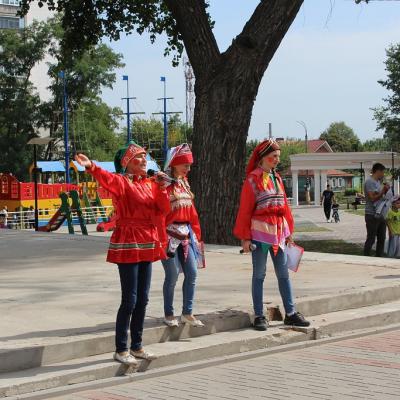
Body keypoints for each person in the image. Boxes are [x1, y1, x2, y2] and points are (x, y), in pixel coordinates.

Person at [74, 142, 171, 366]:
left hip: (147, 239)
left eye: (145, 157)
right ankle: (121, 348)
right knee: (130, 299)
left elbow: (163, 209)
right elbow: (106, 178)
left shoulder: (151, 184)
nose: (144, 160)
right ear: (127, 163)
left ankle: (137, 346)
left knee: (143, 298)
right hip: (129, 239)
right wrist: (91, 167)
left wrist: (164, 188)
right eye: (139, 157)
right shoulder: (122, 182)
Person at [234, 139, 310, 331]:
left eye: (278, 156)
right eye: (274, 156)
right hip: (260, 235)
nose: (277, 160)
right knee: (259, 275)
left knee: (283, 275)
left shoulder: (277, 179)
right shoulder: (252, 180)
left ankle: (291, 313)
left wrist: (289, 232)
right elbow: (245, 211)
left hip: (279, 234)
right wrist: (245, 238)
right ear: (263, 157)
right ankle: (259, 315)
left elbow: (285, 207)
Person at [161, 144, 204, 328]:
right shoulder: (163, 184)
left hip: (187, 235)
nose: (188, 168)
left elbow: (192, 212)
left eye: (189, 165)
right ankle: (169, 313)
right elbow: (159, 213)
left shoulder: (185, 183)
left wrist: (198, 235)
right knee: (172, 276)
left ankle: (187, 312)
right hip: (168, 236)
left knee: (192, 273)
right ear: (174, 164)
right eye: (185, 164)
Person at [363, 163, 390, 257]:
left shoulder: (378, 182)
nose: (383, 174)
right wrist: (382, 191)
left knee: (382, 238)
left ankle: (379, 257)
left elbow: (380, 196)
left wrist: (386, 191)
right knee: (371, 238)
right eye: (382, 172)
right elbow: (372, 198)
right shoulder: (369, 182)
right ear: (378, 171)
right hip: (372, 214)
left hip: (381, 214)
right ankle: (366, 257)